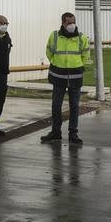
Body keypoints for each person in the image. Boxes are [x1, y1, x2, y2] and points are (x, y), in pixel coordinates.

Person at [41, 12, 92, 145]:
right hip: (58, 76)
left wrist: (80, 66)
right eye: (69, 23)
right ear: (63, 23)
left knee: (74, 106)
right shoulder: (55, 36)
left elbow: (86, 54)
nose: (72, 25)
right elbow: (49, 52)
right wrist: (57, 63)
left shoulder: (81, 37)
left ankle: (73, 133)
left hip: (75, 76)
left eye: (73, 22)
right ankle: (55, 132)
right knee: (56, 105)